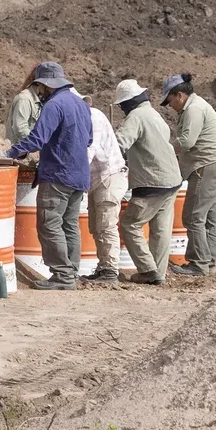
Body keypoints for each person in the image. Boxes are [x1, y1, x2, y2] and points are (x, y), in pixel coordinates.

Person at [0, 62, 92, 290]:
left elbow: (37, 138)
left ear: (44, 85)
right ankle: (71, 273)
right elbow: (89, 139)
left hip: (58, 174)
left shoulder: (54, 105)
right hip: (80, 174)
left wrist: (8, 153)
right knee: (69, 224)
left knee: (49, 223)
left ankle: (62, 276)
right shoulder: (80, 104)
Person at [162, 74, 216, 277]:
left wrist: (162, 149)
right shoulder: (196, 106)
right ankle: (207, 263)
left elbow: (186, 141)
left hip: (207, 167)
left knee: (193, 216)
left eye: (170, 101)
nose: (170, 106)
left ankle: (198, 264)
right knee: (210, 218)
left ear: (180, 95)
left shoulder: (193, 109)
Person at [114, 79, 183, 285]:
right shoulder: (155, 115)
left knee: (130, 223)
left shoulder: (136, 116)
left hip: (152, 181)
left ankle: (147, 270)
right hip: (172, 178)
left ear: (128, 102)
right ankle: (158, 275)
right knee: (161, 230)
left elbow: (120, 143)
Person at [77, 90, 128, 285]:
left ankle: (110, 270)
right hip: (97, 179)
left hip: (109, 177)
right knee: (97, 227)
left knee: (106, 225)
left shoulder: (94, 117)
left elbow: (90, 149)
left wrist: (76, 178)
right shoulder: (85, 118)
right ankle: (104, 267)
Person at [5, 64, 42, 143]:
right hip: (19, 152)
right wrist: (39, 143)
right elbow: (20, 130)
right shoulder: (24, 99)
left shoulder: (39, 100)